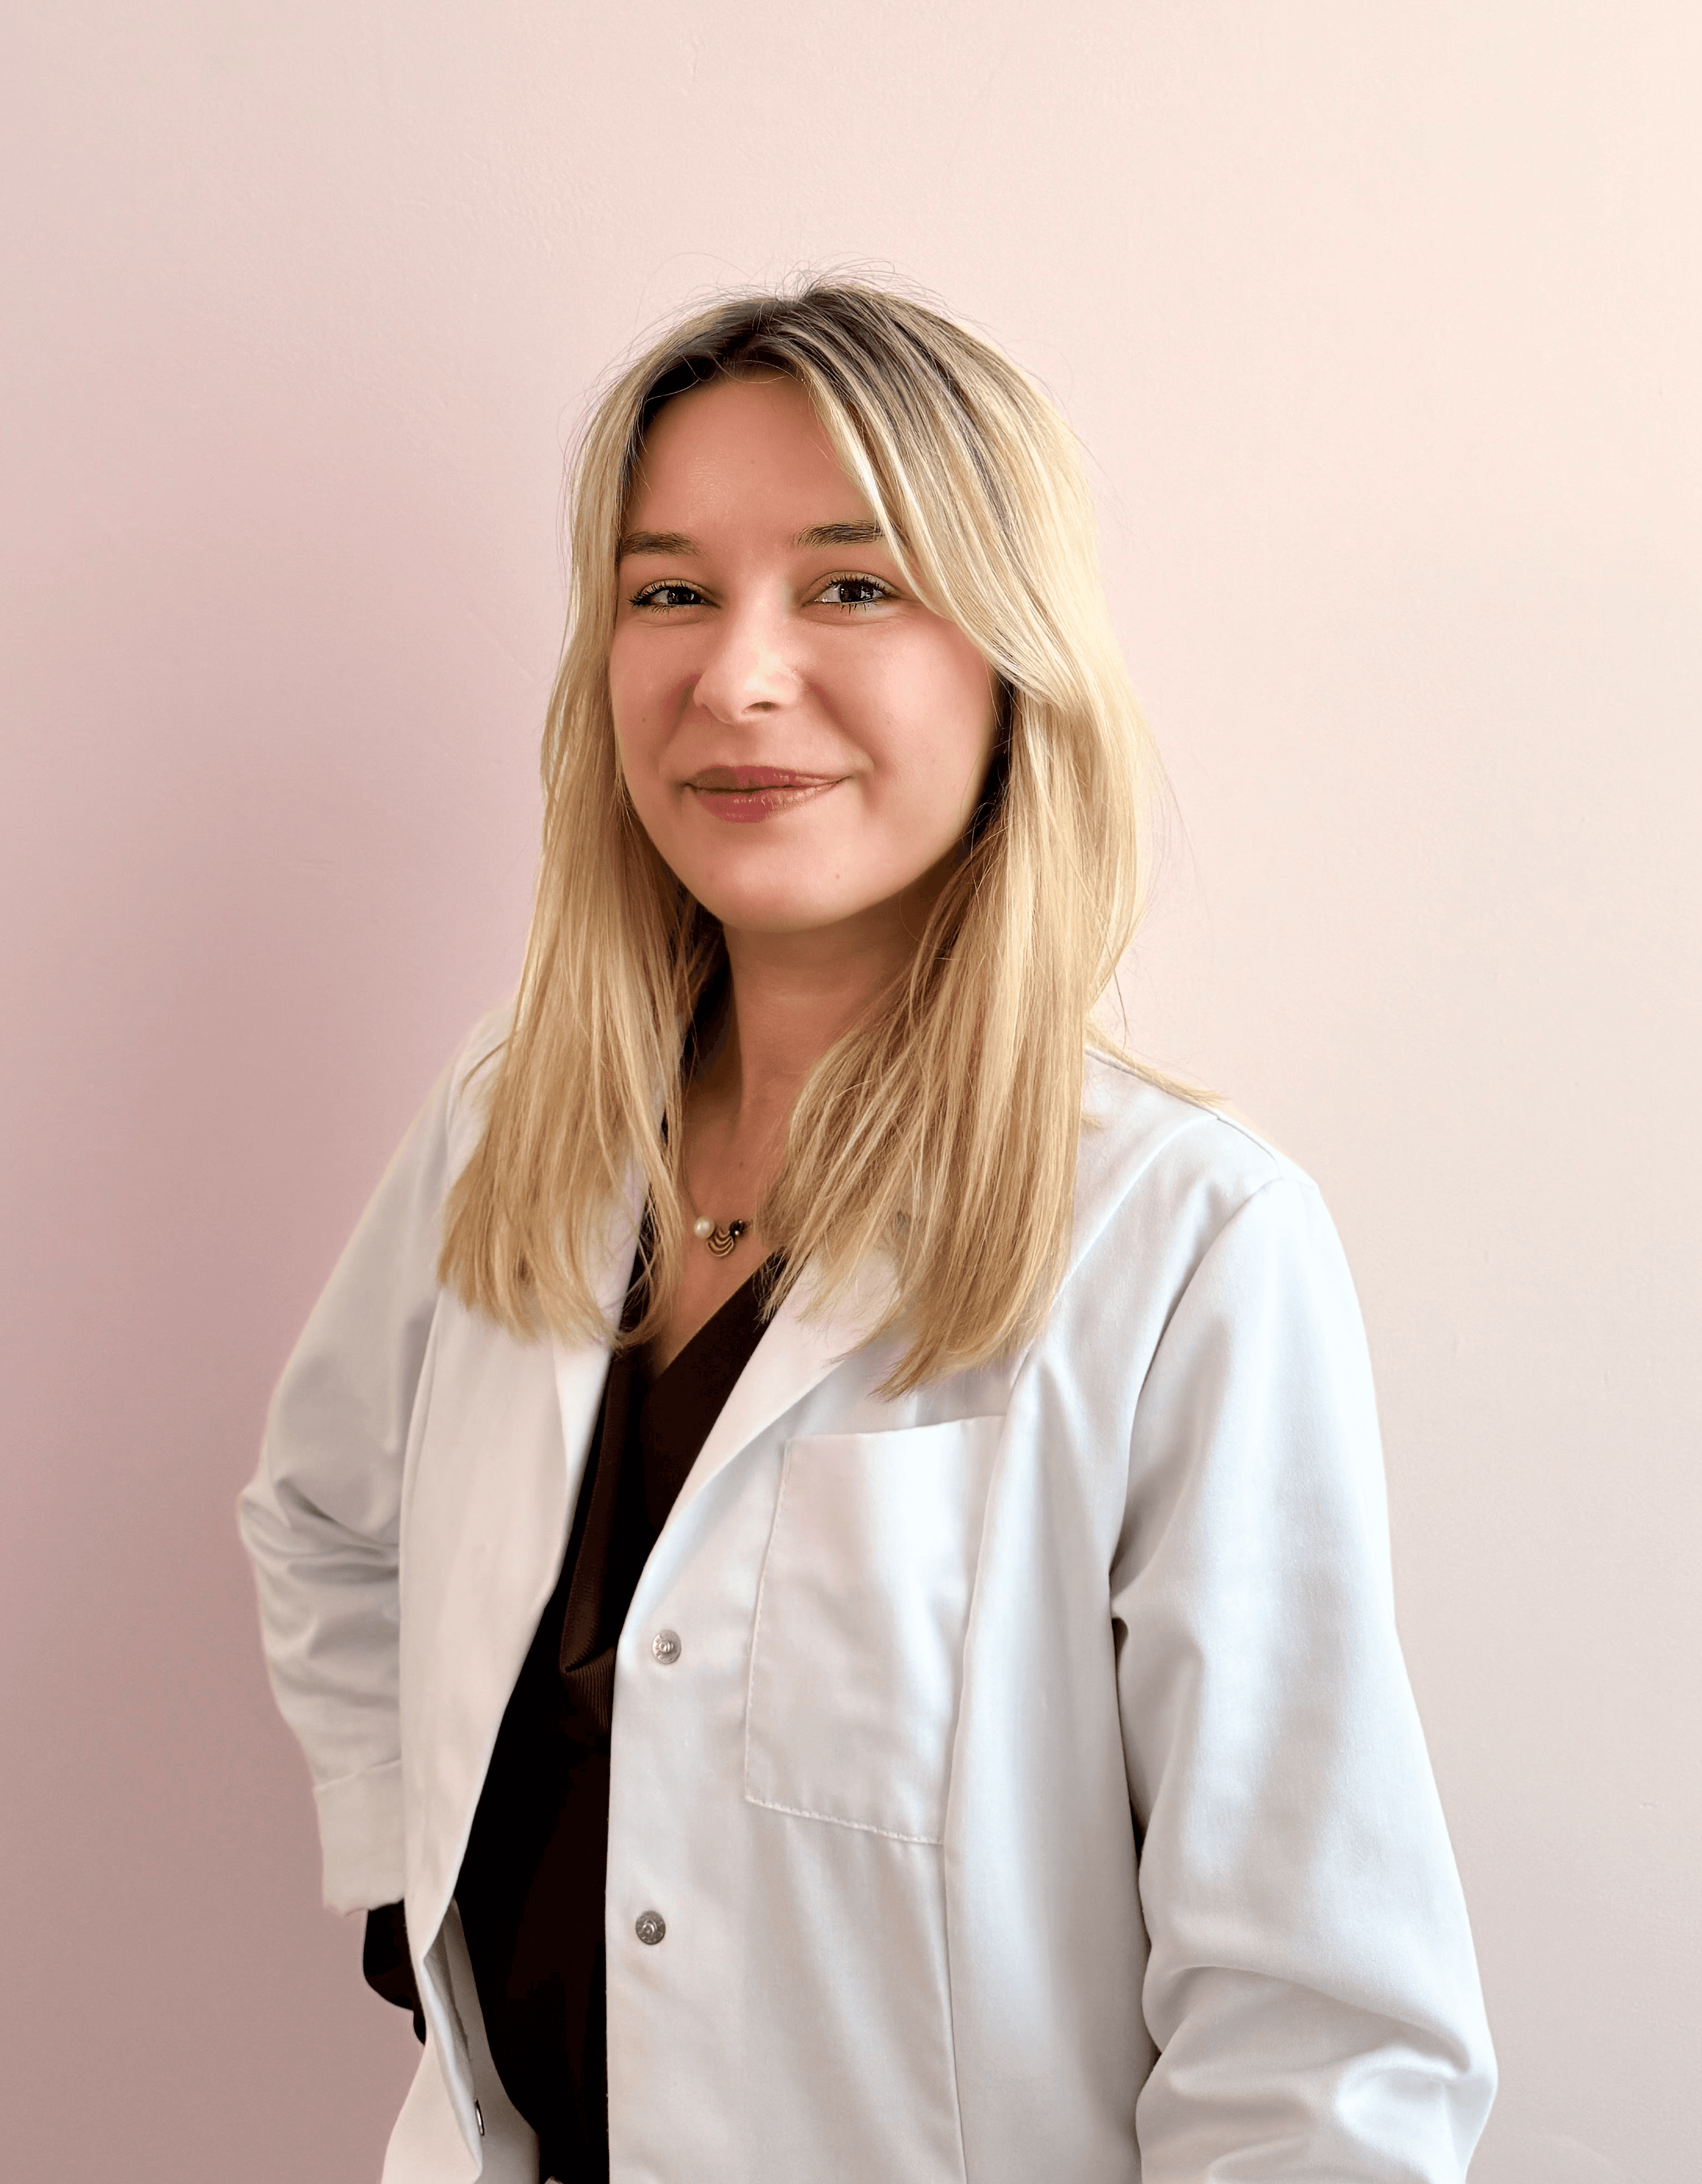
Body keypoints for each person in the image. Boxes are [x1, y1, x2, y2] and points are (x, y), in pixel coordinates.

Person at [239, 281, 1496, 2184]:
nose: (736, 677)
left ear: (1011, 661)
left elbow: (1319, 2040)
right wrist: (405, 1882)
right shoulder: (515, 1126)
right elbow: (324, 1521)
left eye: (847, 587)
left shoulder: (1178, 1240)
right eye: (667, 593)